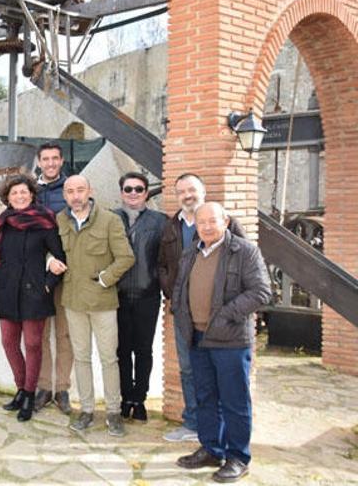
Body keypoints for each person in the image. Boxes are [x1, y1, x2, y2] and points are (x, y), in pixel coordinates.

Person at [173, 203, 270, 483]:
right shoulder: (191, 251)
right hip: (197, 337)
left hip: (229, 339)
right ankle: (212, 449)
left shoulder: (244, 251)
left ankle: (238, 457)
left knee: (234, 401)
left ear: (225, 221)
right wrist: (180, 313)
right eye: (200, 222)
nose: (205, 226)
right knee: (206, 397)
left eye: (211, 221)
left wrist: (226, 314)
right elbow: (181, 287)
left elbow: (261, 292)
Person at [0, 174, 65, 421]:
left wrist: (48, 286)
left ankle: (30, 395)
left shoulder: (45, 221)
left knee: (32, 345)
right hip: (7, 291)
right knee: (9, 342)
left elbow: (60, 257)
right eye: (14, 193)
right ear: (7, 198)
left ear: (31, 194)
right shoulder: (3, 222)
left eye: (23, 192)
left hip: (35, 292)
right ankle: (20, 389)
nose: (19, 196)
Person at [158, 173, 246, 442]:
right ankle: (194, 423)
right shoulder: (172, 226)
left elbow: (246, 264)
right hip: (185, 315)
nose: (187, 195)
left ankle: (221, 432)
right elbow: (162, 265)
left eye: (192, 189)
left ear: (203, 191)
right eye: (182, 191)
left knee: (221, 375)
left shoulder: (225, 224)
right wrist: (171, 293)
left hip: (221, 319)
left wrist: (232, 308)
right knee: (188, 369)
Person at [55, 175, 135, 437]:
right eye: (70, 191)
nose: (75, 196)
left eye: (80, 190)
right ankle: (86, 410)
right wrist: (48, 260)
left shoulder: (110, 220)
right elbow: (52, 250)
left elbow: (126, 257)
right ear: (65, 195)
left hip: (102, 302)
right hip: (73, 301)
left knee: (109, 358)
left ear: (90, 191)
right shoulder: (60, 219)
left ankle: (113, 412)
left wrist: (104, 279)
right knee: (81, 357)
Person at [112, 172, 167, 421]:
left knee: (143, 350)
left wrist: (161, 282)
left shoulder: (160, 221)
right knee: (122, 350)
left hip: (147, 294)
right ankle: (126, 398)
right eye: (128, 189)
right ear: (121, 192)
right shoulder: (111, 219)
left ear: (146, 192)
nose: (133, 193)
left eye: (138, 189)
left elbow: (167, 258)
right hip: (118, 296)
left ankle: (140, 398)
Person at [33, 141, 74, 414]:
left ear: (61, 161)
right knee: (40, 334)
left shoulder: (72, 190)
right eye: (45, 159)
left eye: (54, 159)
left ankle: (62, 389)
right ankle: (44, 386)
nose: (50, 163)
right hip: (37, 273)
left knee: (64, 334)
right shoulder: (30, 191)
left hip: (67, 273)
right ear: (39, 161)